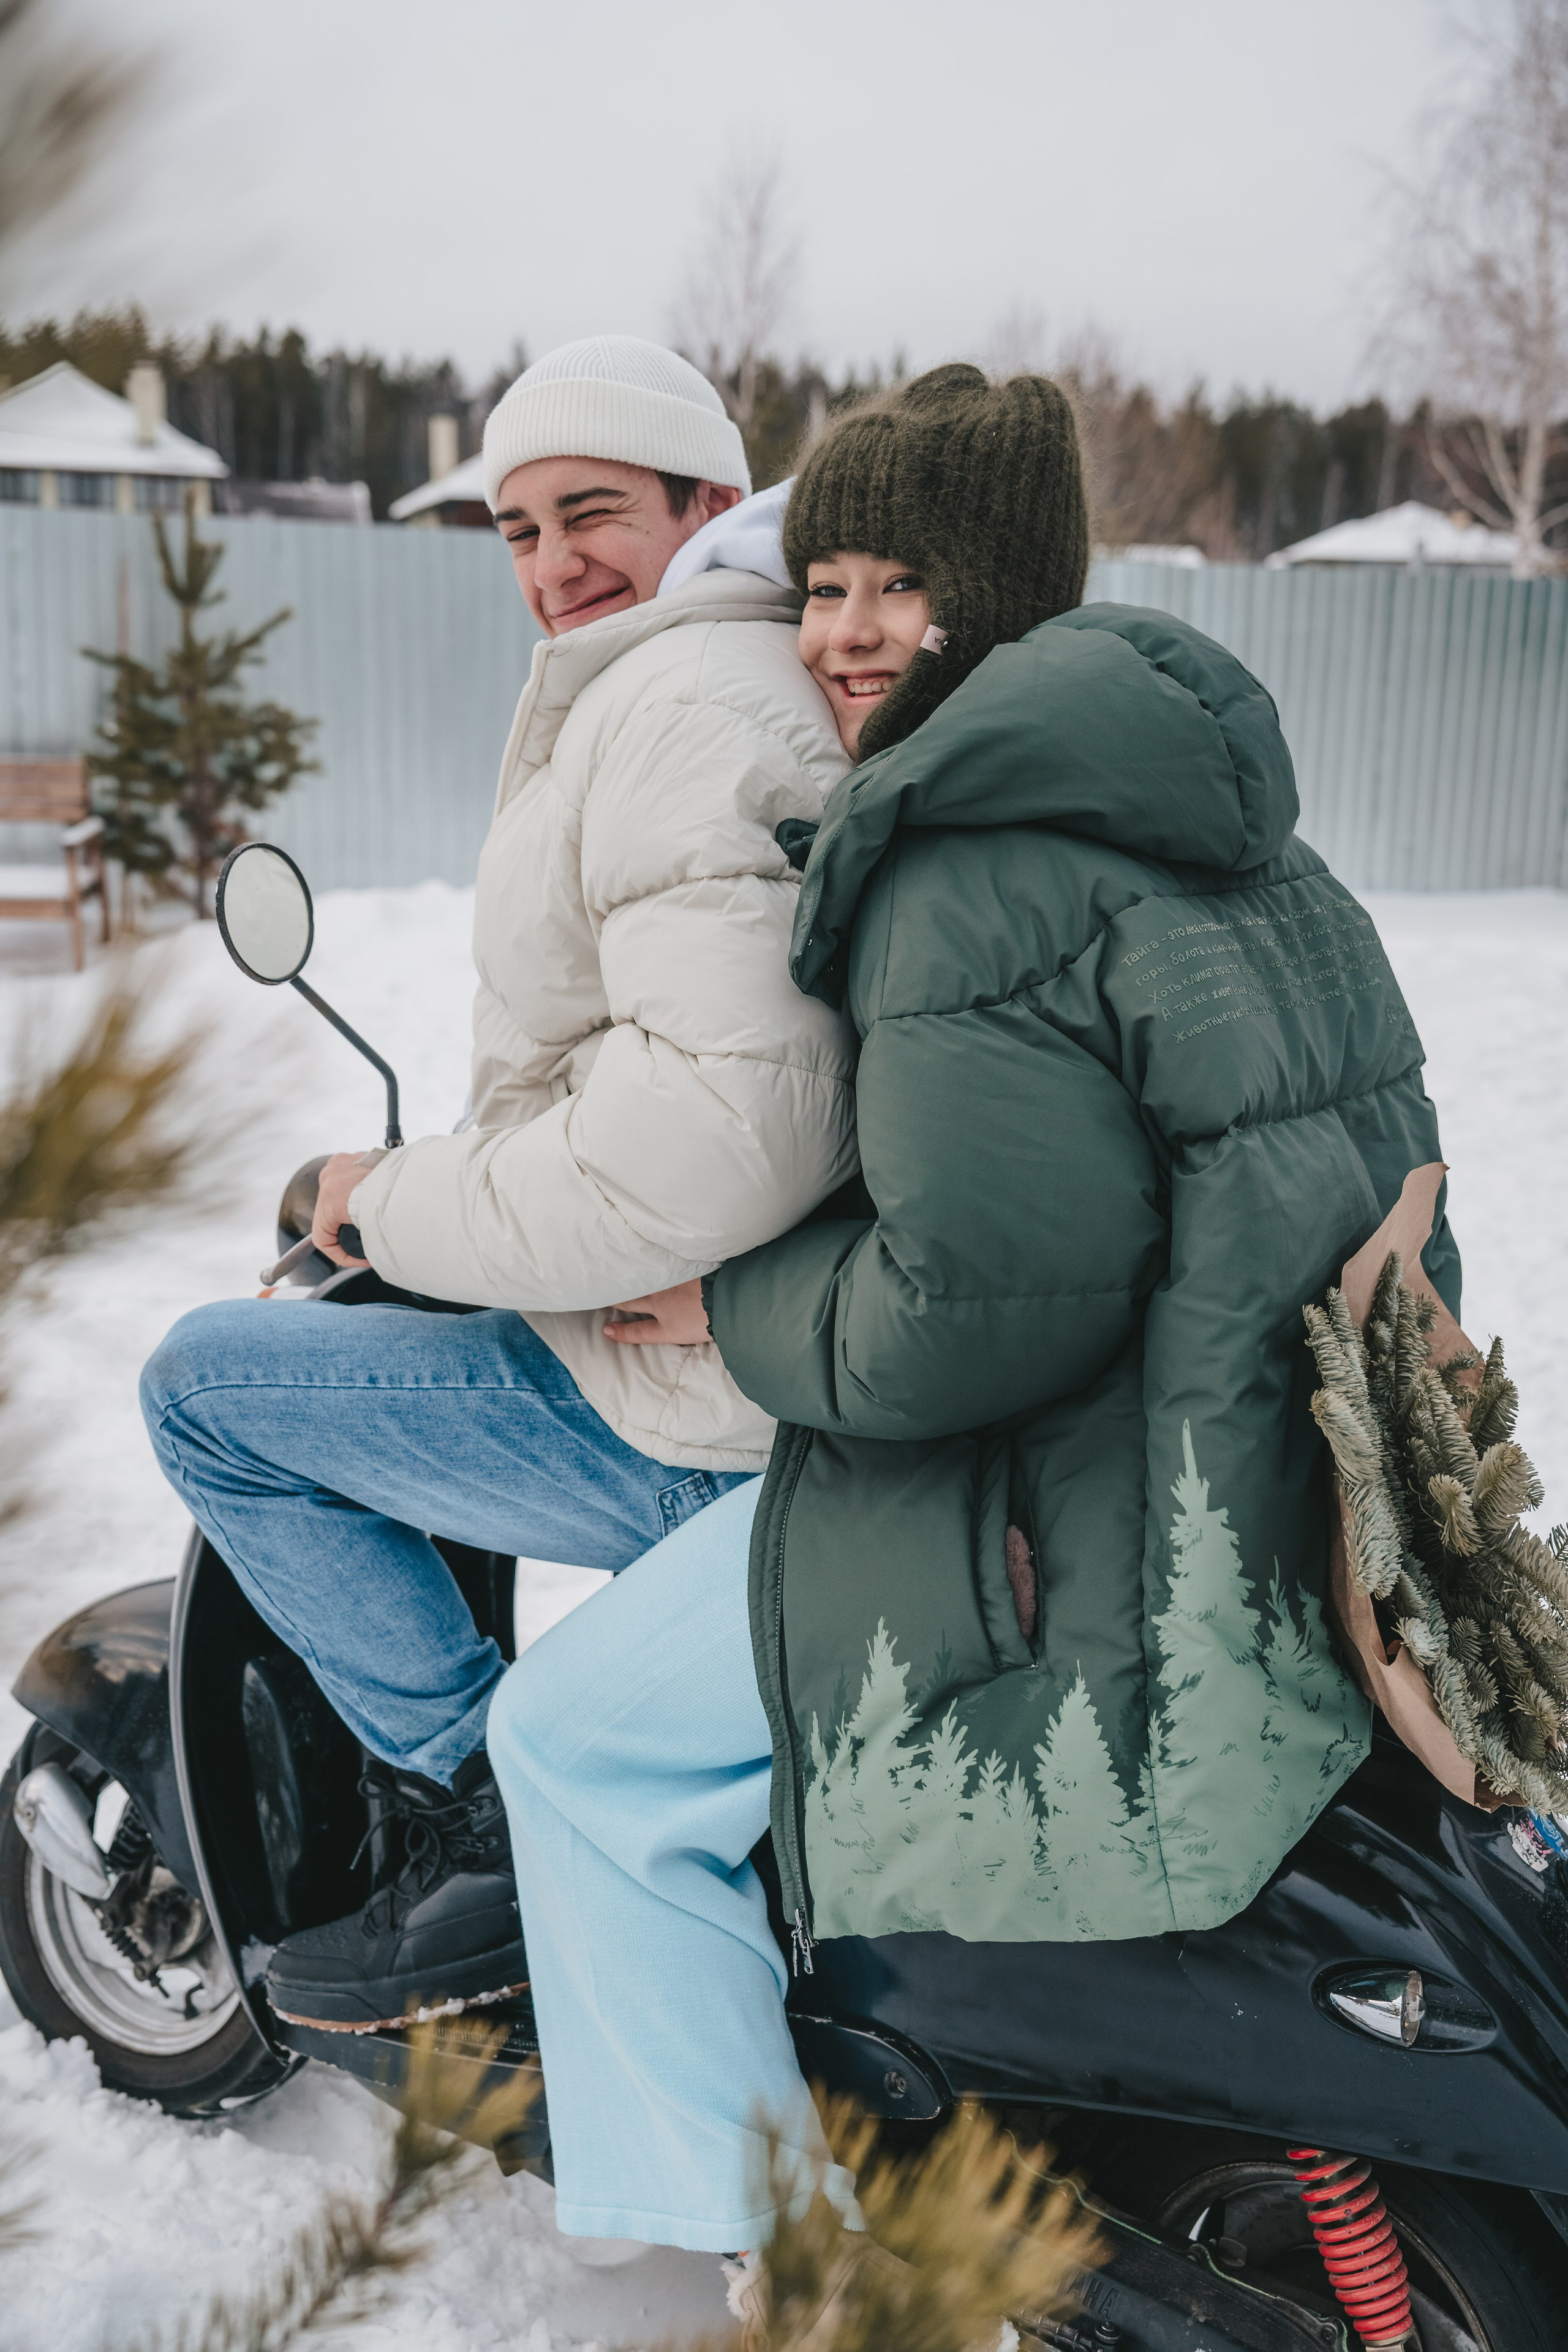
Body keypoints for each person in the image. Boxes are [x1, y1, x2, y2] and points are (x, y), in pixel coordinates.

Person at [485, 363, 1457, 2271]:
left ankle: (778, 2260)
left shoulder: (960, 860)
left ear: (998, 595)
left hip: (1094, 1507)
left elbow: (963, 1322)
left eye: (898, 588)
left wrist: (723, 1293)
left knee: (574, 1740)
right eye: (824, 581)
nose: (842, 633)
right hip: (1261, 1489)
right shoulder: (1237, 830)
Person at [138, 336, 859, 2034]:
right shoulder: (692, 681)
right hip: (726, 1354)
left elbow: (708, 1142)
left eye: (591, 512)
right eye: (517, 529)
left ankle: (480, 1797)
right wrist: (452, 1182)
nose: (550, 565)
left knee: (207, 1393)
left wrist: (385, 1203)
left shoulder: (685, 706)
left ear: (706, 500)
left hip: (691, 1409)